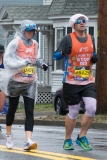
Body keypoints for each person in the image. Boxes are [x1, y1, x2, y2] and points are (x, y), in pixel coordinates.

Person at [53, 13, 98, 151]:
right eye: (79, 21)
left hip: (87, 80)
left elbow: (92, 54)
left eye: (84, 20)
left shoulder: (91, 38)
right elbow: (55, 56)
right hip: (71, 81)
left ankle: (82, 136)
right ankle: (67, 139)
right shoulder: (68, 39)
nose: (82, 23)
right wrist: (63, 53)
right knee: (74, 111)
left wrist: (94, 58)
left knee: (91, 108)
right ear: (74, 24)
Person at [3, 19, 48, 150]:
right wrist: (22, 63)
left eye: (32, 31)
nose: (31, 33)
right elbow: (7, 61)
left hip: (30, 82)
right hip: (15, 81)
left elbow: (35, 59)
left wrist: (42, 64)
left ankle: (28, 140)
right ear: (23, 30)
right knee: (12, 109)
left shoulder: (35, 43)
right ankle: (9, 135)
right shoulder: (15, 43)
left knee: (29, 111)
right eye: (28, 31)